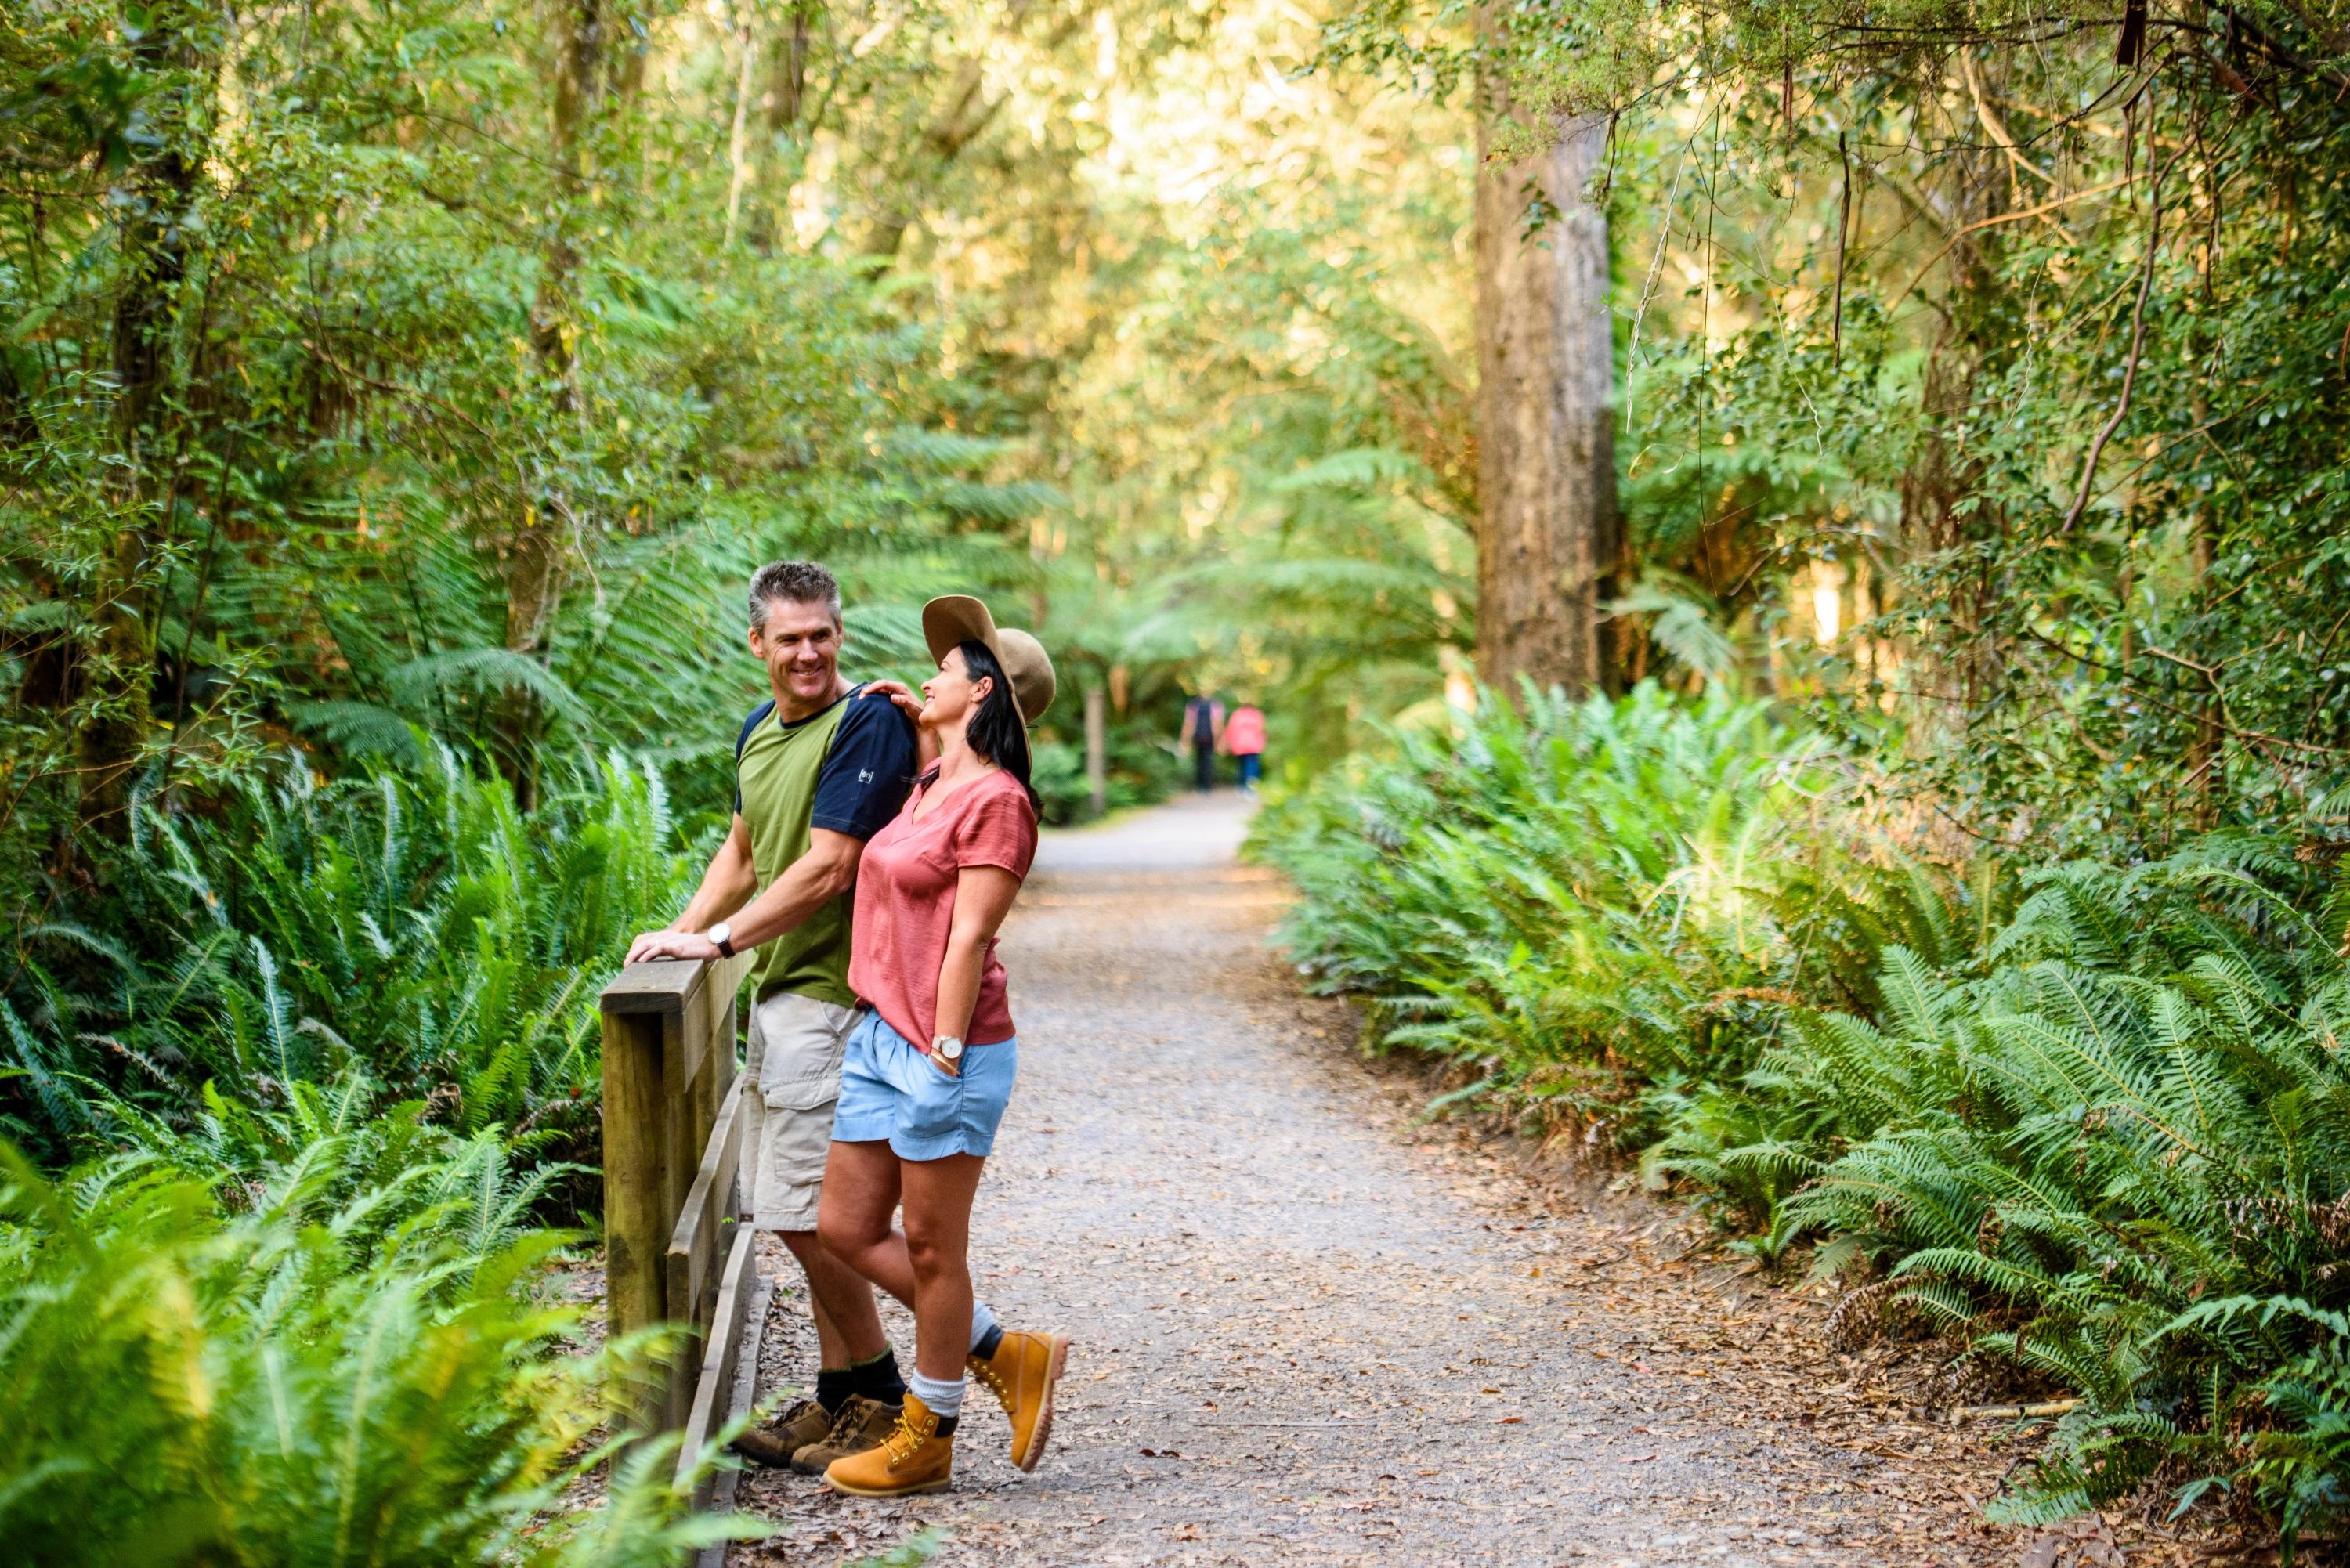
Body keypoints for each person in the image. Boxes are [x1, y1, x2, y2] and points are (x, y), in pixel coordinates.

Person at [625, 561, 1003, 1479]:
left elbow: (831, 866)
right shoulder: (761, 731)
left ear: (838, 632)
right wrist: (677, 934)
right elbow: (745, 853)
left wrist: (716, 944)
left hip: (836, 999)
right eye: (788, 637)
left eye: (821, 633)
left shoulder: (865, 721)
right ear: (756, 644)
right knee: (800, 1214)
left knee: (810, 1214)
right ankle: (848, 1395)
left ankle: (912, 1378)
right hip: (785, 992)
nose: (807, 652)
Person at [815, 594, 1069, 1498]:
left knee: (930, 1249)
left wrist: (948, 1052)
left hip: (944, 1049)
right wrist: (921, 727)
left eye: (946, 667)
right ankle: (1005, 1348)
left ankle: (928, 1433)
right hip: (881, 1036)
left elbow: (967, 938)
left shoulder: (1001, 804)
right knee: (841, 1225)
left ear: (984, 688)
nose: (929, 672)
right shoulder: (932, 783)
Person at [1178, 690, 1222, 793]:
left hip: (1198, 737)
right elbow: (1217, 724)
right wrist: (1217, 742)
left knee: (1199, 761)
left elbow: (1188, 724)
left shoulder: (1193, 705)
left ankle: (1200, 786)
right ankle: (1207, 787)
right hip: (1209, 738)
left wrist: (1185, 741)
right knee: (1208, 762)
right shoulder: (1215, 705)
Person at [1225, 701, 1266, 795]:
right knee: (1252, 767)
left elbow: (1231, 730)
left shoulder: (1237, 714)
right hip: (1254, 745)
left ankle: (1241, 786)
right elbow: (1261, 730)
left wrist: (1229, 742)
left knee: (1241, 766)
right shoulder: (1257, 714)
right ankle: (1251, 788)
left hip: (1239, 745)